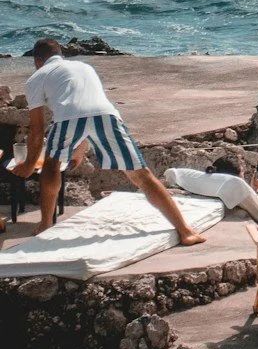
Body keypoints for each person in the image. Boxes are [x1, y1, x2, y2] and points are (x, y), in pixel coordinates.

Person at [13, 40, 204, 244]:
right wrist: (79, 150)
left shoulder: (37, 77)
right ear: (61, 54)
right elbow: (88, 109)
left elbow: (37, 129)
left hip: (67, 118)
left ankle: (45, 224)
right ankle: (185, 231)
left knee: (51, 165)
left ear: (37, 61)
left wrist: (29, 165)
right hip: (106, 115)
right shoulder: (84, 67)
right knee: (140, 174)